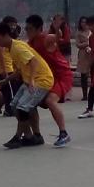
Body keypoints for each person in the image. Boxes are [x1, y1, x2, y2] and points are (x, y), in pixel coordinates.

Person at [0, 22, 56, 149]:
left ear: (5, 35)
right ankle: (33, 136)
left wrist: (31, 81)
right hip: (31, 80)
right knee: (15, 107)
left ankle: (18, 137)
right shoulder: (11, 48)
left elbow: (34, 62)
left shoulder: (18, 48)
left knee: (22, 108)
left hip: (41, 80)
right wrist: (4, 81)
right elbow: (20, 70)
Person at [25, 15, 73, 147]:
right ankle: (36, 135)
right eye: (26, 29)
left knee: (50, 101)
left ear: (39, 29)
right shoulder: (29, 44)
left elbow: (57, 37)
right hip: (46, 78)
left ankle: (64, 133)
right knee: (29, 103)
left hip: (61, 76)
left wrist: (57, 29)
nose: (27, 31)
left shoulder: (45, 38)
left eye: (30, 29)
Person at [74, 16, 93, 101]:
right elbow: (78, 44)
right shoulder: (79, 33)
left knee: (93, 74)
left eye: (85, 22)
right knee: (84, 75)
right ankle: (85, 94)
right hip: (83, 54)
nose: (84, 24)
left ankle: (92, 93)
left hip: (92, 53)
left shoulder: (91, 32)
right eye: (82, 22)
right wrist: (86, 43)